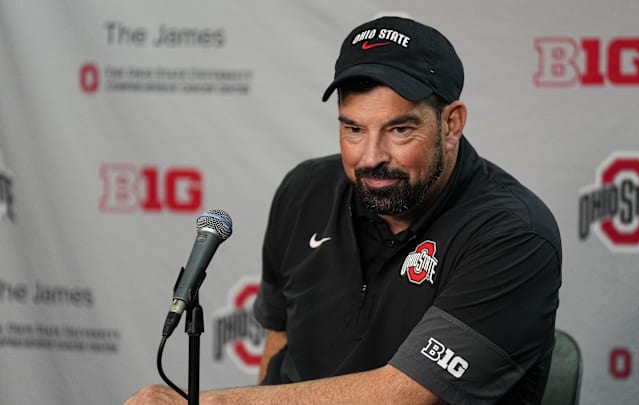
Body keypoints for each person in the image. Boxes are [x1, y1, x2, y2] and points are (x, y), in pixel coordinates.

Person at [126, 15, 561, 405]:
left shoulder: (513, 233)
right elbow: (280, 339)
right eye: (353, 128)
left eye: (400, 129)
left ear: (451, 124)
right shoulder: (305, 190)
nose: (371, 157)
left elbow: (406, 394)